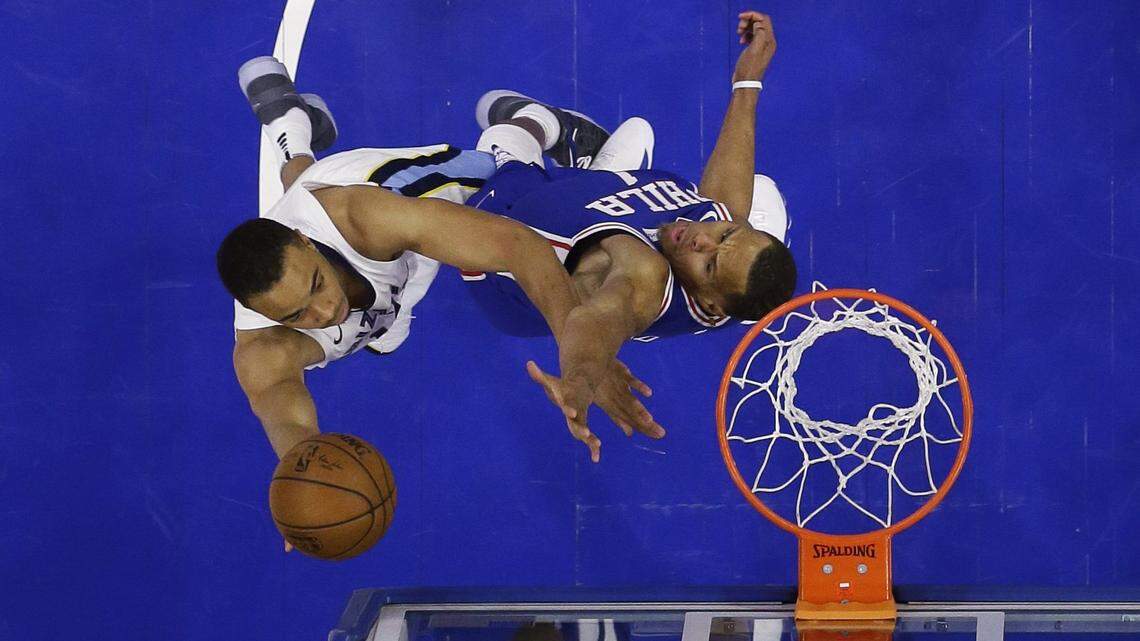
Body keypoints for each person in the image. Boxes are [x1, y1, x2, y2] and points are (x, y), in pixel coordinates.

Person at [218, 57, 653, 464]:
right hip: (367, 259)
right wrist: (303, 480)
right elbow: (289, 424)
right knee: (376, 316)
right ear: (263, 316)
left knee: (518, 192)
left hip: (395, 195)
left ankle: (536, 125)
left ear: (307, 241)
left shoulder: (369, 217)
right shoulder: (264, 351)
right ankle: (292, 124)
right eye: (299, 314)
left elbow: (520, 248)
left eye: (316, 285)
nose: (325, 310)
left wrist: (582, 354)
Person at [460, 11, 797, 452]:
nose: (704, 238)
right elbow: (725, 203)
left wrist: (583, 376)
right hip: (609, 203)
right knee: (756, 195)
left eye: (711, 262)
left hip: (515, 222)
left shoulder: (644, 279)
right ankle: (597, 165)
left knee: (499, 136)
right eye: (728, 233)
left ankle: (547, 125)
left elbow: (599, 320)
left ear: (711, 302)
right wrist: (747, 81)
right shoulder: (711, 242)